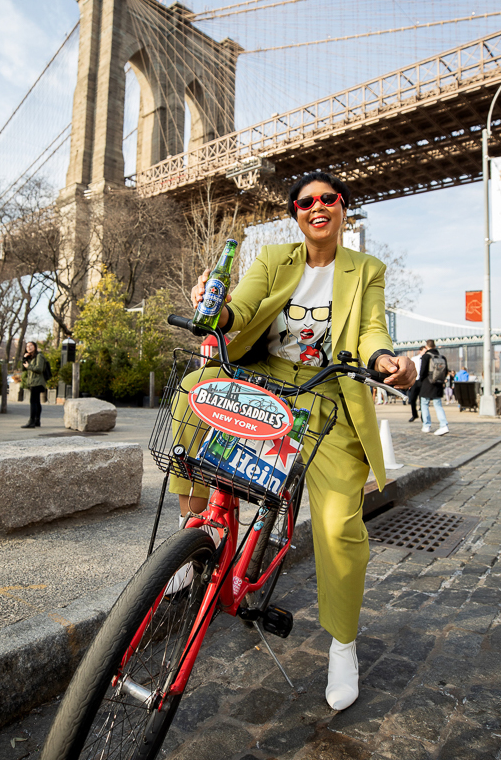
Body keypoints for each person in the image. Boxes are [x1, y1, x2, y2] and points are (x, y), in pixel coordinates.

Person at [170, 171, 416, 711]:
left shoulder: (365, 270)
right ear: (296, 214)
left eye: (329, 198)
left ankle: (343, 644)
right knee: (194, 389)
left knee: (337, 524)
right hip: (264, 379)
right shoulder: (273, 258)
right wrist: (221, 311)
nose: (317, 206)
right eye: (306, 202)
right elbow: (247, 304)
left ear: (344, 209)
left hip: (325, 394)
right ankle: (192, 538)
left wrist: (383, 360)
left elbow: (372, 327)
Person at [418, 339, 449, 435]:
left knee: (424, 403)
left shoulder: (426, 356)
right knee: (438, 404)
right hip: (438, 383)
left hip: (427, 383)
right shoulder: (442, 357)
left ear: (426, 347)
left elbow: (422, 371)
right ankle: (443, 425)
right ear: (435, 346)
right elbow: (446, 370)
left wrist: (421, 381)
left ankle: (426, 425)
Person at [20, 341, 48, 429]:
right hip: (33, 382)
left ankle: (31, 421)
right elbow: (23, 369)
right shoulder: (31, 357)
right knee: (36, 402)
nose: (29, 347)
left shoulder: (39, 356)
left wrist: (29, 366)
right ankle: (37, 421)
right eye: (27, 346)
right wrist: (24, 359)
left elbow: (39, 369)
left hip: (38, 382)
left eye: (31, 346)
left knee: (33, 401)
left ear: (35, 347)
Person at [407, 345, 426, 422]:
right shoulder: (414, 359)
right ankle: (414, 415)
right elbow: (409, 371)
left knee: (423, 401)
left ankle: (423, 417)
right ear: (420, 351)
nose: (425, 353)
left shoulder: (428, 360)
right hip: (414, 381)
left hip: (423, 382)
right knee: (412, 399)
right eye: (424, 351)